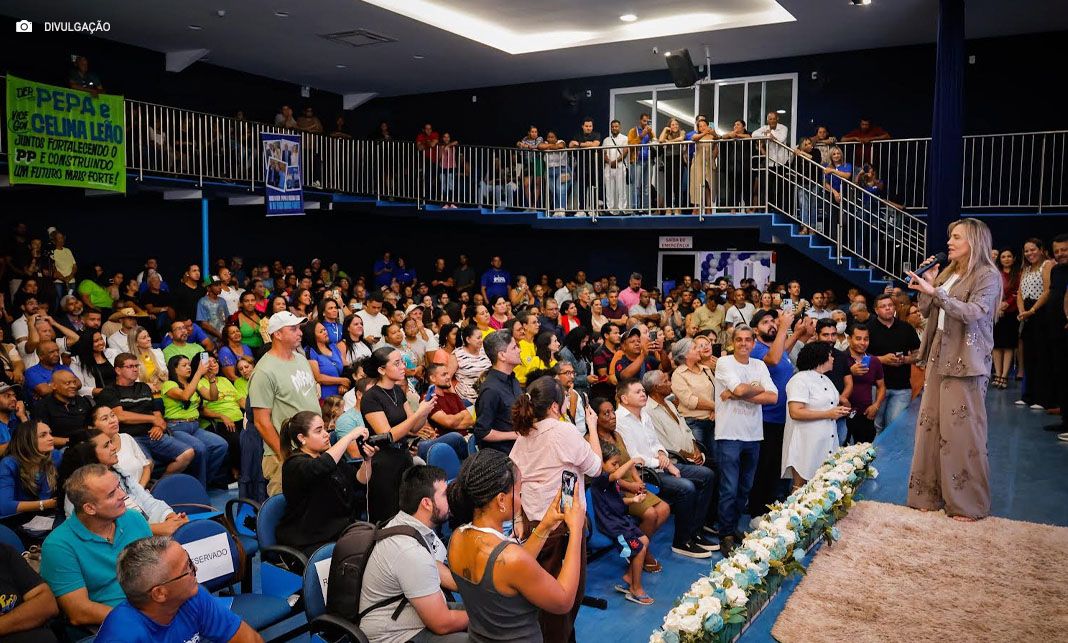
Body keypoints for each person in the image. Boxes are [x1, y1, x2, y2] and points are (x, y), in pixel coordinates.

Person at [906, 218, 1000, 521]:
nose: (949, 242)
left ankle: (968, 504)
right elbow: (925, 311)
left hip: (966, 360)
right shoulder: (948, 272)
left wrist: (938, 294)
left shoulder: (987, 276)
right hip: (937, 355)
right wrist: (929, 285)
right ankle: (928, 495)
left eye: (956, 237)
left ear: (974, 241)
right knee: (930, 428)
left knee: (963, 434)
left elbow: (975, 313)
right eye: (950, 236)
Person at [446, 449, 586, 643]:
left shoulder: (457, 538)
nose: (521, 498)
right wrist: (576, 530)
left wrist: (545, 525)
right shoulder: (510, 559)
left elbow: (507, 573)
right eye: (518, 492)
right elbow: (563, 601)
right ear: (501, 500)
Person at [507, 376, 601, 638]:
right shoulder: (562, 430)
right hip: (564, 525)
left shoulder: (523, 435)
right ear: (554, 407)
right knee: (566, 596)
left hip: (534, 525)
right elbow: (595, 466)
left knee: (543, 597)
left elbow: (516, 481)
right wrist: (592, 428)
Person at [360, 465, 468, 643]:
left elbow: (437, 568)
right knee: (485, 633)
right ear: (426, 503)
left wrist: (478, 590)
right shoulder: (410, 552)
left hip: (413, 612)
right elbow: (442, 624)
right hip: (394, 635)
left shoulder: (406, 523)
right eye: (444, 494)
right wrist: (485, 618)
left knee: (491, 613)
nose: (451, 498)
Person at [40, 464, 153, 627]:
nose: (122, 495)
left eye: (118, 487)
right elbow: (79, 612)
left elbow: (156, 570)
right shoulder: (58, 546)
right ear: (90, 508)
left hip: (154, 609)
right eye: (112, 494)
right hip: (110, 624)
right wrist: (139, 619)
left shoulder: (134, 518)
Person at [614, 378, 716, 558]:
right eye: (637, 392)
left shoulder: (644, 414)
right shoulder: (620, 420)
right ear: (624, 399)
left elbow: (656, 443)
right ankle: (681, 541)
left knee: (707, 474)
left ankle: (695, 532)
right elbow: (633, 457)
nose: (643, 393)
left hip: (659, 465)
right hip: (642, 474)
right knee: (686, 488)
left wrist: (662, 454)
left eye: (643, 391)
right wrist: (663, 463)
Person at [94, 536, 263, 643]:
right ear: (160, 593)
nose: (195, 569)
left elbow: (249, 639)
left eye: (190, 561)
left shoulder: (193, 597)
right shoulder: (122, 636)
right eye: (187, 568)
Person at [714, 324, 778, 555]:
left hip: (753, 435)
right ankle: (726, 535)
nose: (743, 343)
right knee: (729, 488)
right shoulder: (724, 363)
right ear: (733, 342)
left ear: (753, 343)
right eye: (739, 339)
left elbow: (773, 397)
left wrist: (734, 393)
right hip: (729, 434)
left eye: (747, 340)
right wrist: (747, 390)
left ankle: (732, 527)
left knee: (745, 488)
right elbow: (742, 389)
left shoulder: (759, 365)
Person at [276, 410, 372, 555]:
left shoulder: (328, 458)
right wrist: (349, 437)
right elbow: (320, 466)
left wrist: (367, 460)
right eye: (318, 431)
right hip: (309, 540)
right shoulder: (294, 465)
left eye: (325, 429)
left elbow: (360, 479)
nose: (326, 434)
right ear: (302, 438)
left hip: (339, 532)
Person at [57, 431, 187, 536]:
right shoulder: (78, 491)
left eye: (111, 443)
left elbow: (148, 501)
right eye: (106, 445)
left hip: (149, 530)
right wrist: (159, 528)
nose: (114, 448)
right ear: (90, 455)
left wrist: (170, 517)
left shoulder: (118, 472)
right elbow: (104, 532)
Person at [249, 312, 322, 496]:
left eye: (299, 328)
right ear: (277, 334)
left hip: (311, 446)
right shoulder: (264, 371)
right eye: (293, 329)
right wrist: (285, 456)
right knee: (286, 510)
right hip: (286, 453)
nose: (300, 333)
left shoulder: (300, 358)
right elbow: (261, 422)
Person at [360, 347, 436, 522]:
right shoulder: (371, 397)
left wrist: (425, 410)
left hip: (403, 457)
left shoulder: (397, 391)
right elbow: (387, 435)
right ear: (381, 370)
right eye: (397, 363)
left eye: (402, 361)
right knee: (389, 517)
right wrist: (418, 414)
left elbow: (415, 426)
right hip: (384, 463)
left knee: (408, 513)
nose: (403, 366)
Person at [748, 309, 810, 516]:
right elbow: (774, 359)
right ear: (755, 330)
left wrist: (798, 333)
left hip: (781, 418)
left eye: (774, 321)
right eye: (766, 322)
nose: (772, 324)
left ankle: (769, 507)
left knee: (775, 467)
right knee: (765, 469)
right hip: (767, 419)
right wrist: (784, 326)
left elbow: (782, 351)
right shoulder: (756, 350)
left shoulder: (775, 348)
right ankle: (757, 512)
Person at [588, 442, 653, 605]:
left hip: (621, 520)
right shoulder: (599, 478)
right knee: (639, 550)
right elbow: (616, 476)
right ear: (601, 463)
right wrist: (631, 462)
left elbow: (617, 501)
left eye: (618, 463)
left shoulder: (611, 482)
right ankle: (635, 589)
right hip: (612, 526)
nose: (616, 467)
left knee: (644, 540)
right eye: (613, 463)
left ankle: (629, 577)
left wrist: (634, 499)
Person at [781, 343, 852, 489]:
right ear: (821, 358)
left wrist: (841, 410)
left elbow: (835, 403)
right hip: (805, 441)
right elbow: (795, 411)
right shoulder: (799, 380)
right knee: (801, 487)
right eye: (830, 355)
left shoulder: (826, 379)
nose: (833, 359)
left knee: (823, 485)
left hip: (827, 439)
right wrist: (828, 413)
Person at [161, 355, 229, 488]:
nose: (189, 368)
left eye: (189, 365)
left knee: (221, 445)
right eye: (184, 365)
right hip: (177, 426)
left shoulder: (193, 383)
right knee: (200, 448)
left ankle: (202, 483)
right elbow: (185, 396)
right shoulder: (169, 384)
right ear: (174, 369)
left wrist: (212, 380)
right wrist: (199, 372)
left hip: (194, 426)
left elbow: (212, 397)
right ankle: (199, 487)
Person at [866, 293, 921, 431]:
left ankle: (891, 453)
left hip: (902, 387)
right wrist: (881, 359)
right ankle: (877, 453)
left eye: (890, 305)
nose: (888, 308)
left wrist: (905, 359)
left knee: (895, 428)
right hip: (876, 386)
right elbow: (859, 357)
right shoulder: (868, 329)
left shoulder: (906, 328)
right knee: (877, 427)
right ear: (876, 310)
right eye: (883, 306)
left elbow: (919, 354)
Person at [0, 420, 62, 543]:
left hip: (43, 518)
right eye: (43, 435)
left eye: (50, 433)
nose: (51, 438)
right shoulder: (9, 464)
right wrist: (45, 504)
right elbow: (5, 507)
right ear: (27, 441)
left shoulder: (54, 456)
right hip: (14, 521)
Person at [1016, 238, 1056, 409]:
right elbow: (1019, 293)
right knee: (1029, 357)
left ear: (1041, 250)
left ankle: (1042, 397)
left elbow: (1048, 291)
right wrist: (1022, 312)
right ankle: (1028, 396)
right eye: (1026, 251)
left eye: (1033, 250)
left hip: (1041, 313)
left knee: (1042, 356)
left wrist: (1032, 310)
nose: (1030, 253)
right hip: (1026, 315)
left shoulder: (1046, 265)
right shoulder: (1025, 269)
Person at [473, 332, 521, 454]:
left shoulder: (512, 379)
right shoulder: (491, 390)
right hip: (504, 455)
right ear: (502, 355)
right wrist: (514, 435)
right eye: (514, 347)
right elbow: (482, 432)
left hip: (522, 448)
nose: (519, 350)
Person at [33, 369, 93, 446]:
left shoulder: (82, 401)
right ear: (54, 386)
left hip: (86, 444)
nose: (73, 386)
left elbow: (91, 425)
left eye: (74, 382)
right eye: (67, 383)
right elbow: (43, 437)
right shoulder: (43, 406)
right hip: (59, 448)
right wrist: (72, 442)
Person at [991, 248, 1021, 390]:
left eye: (1009, 256)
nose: (1006, 259)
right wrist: (997, 306)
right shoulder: (996, 274)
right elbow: (992, 292)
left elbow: (1017, 293)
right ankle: (997, 374)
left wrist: (1006, 304)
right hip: (997, 312)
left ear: (1013, 258)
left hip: (1011, 313)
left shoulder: (1018, 274)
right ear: (1000, 259)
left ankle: (1004, 375)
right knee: (997, 345)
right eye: (1003, 256)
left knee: (1008, 345)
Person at [304, 321, 348, 400]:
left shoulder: (333, 347)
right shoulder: (310, 351)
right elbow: (318, 377)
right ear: (313, 336)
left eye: (324, 329)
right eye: (321, 332)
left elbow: (346, 366)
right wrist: (342, 381)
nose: (325, 332)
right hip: (324, 398)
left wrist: (344, 384)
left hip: (340, 396)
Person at [455, 324, 491, 404]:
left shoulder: (485, 350)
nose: (481, 340)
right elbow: (448, 379)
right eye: (478, 338)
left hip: (487, 395)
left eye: (481, 337)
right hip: (467, 398)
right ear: (468, 339)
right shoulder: (457, 354)